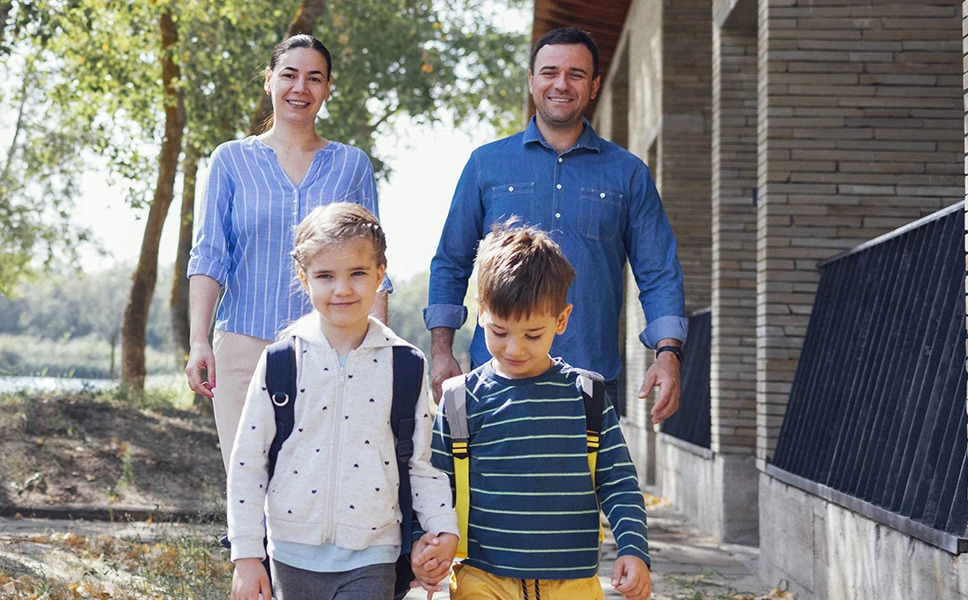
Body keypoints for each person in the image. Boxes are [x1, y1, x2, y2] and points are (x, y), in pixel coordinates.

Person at [424, 27, 686, 422]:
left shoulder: (628, 173)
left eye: (576, 74)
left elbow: (659, 272)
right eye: (549, 72)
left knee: (587, 486)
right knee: (492, 486)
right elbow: (451, 262)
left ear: (595, 85)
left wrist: (668, 354)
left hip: (591, 382)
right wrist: (441, 351)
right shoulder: (486, 164)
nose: (561, 84)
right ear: (531, 81)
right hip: (496, 378)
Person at [227, 203, 459, 600]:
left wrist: (443, 527)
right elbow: (249, 462)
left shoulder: (405, 364)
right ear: (304, 278)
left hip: (373, 556)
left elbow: (422, 465)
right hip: (289, 554)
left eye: (357, 273)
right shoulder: (281, 361)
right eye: (325, 276)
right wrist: (247, 555)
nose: (342, 289)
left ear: (380, 274)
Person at [185, 34, 390, 474]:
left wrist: (378, 349)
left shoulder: (352, 165)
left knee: (314, 485)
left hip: (331, 347)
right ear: (269, 80)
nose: (301, 88)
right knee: (247, 482)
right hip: (242, 347)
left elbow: (373, 269)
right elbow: (208, 257)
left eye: (314, 78)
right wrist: (198, 339)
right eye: (289, 75)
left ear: (328, 87)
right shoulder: (230, 161)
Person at [415, 224, 652, 600]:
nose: (514, 348)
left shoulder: (587, 395)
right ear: (481, 312)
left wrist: (633, 549)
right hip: (482, 577)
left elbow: (619, 484)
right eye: (500, 331)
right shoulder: (460, 399)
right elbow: (433, 487)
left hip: (572, 583)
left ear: (561, 320)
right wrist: (423, 546)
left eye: (532, 334)